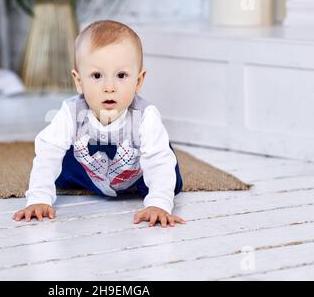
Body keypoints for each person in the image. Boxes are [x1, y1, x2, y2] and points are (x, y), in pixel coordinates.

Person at [13, 20, 185, 227]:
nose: (109, 87)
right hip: (87, 170)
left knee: (166, 169)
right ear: (79, 81)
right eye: (96, 76)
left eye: (121, 75)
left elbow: (158, 161)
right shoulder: (71, 111)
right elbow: (48, 153)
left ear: (138, 81)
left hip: (136, 172)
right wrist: (39, 198)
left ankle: (159, 188)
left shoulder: (145, 116)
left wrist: (159, 203)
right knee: (60, 159)